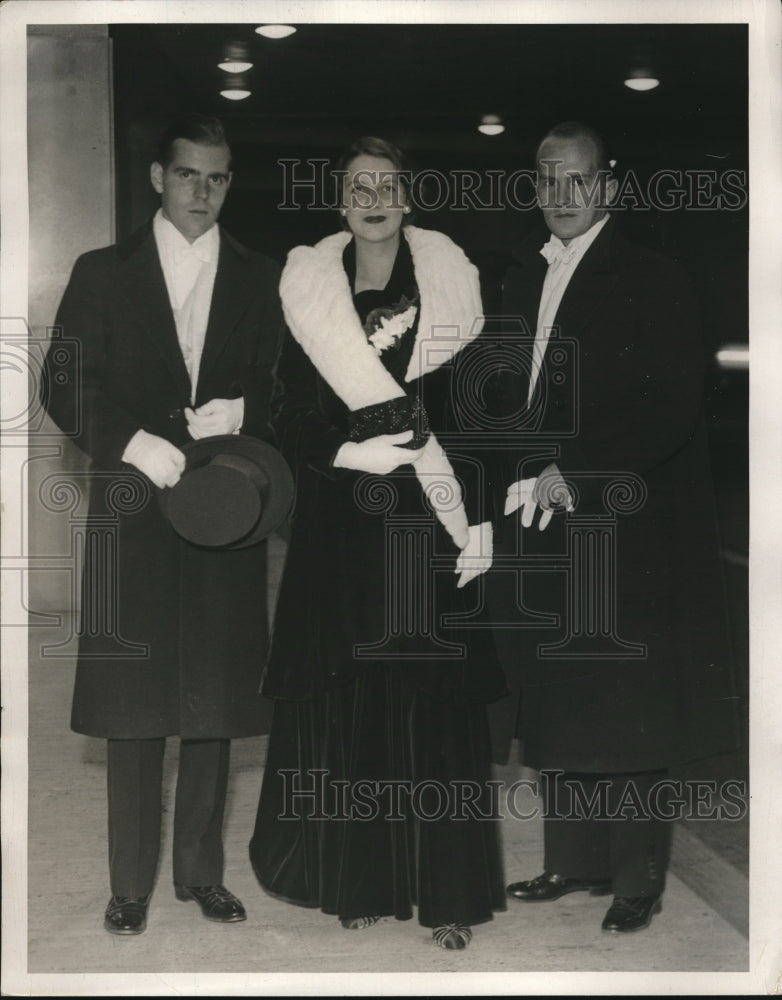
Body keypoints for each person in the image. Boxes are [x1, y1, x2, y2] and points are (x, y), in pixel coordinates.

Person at [248, 136, 506, 950]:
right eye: (359, 187)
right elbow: (283, 404)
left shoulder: (451, 291)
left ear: (408, 197)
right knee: (350, 698)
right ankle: (357, 880)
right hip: (342, 523)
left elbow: (477, 407)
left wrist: (483, 514)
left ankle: (448, 895)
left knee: (431, 704)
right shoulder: (309, 294)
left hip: (429, 520)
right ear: (339, 202)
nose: (373, 199)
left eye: (387, 185)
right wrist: (341, 449)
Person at [489, 121, 739, 932]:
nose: (560, 196)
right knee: (563, 691)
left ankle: (638, 878)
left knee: (629, 701)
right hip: (544, 517)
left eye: (577, 180)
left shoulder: (652, 274)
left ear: (609, 187)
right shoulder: (524, 277)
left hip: (627, 524)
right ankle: (574, 860)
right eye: (546, 179)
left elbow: (667, 407)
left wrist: (577, 469)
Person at [42, 113, 284, 935]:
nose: (203, 193)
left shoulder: (262, 276)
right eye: (188, 175)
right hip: (131, 512)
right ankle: (129, 884)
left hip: (223, 505)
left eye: (218, 178)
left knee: (214, 700)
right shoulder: (102, 273)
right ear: (157, 178)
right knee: (134, 706)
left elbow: (289, 385)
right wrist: (129, 442)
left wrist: (247, 408)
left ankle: (200, 874)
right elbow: (61, 385)